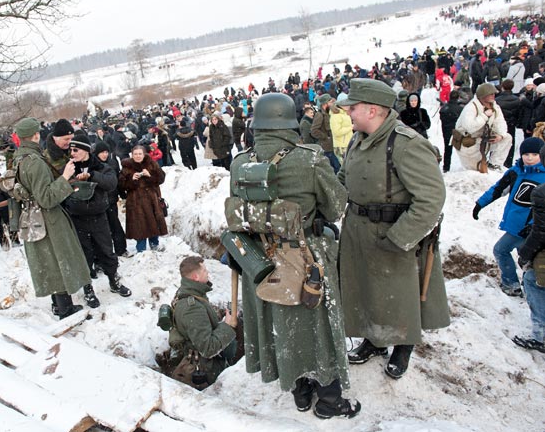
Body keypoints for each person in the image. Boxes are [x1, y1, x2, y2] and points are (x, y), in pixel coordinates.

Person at [230, 93, 360, 419]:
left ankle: (301, 392)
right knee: (319, 327)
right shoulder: (310, 158)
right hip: (305, 257)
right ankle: (329, 402)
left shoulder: (240, 162)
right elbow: (335, 206)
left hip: (260, 259)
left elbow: (241, 211)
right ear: (290, 121)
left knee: (281, 326)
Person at [337, 78, 449, 380]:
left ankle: (402, 345)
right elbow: (344, 177)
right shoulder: (357, 140)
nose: (348, 111)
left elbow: (431, 198)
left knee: (397, 293)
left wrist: (401, 237)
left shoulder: (405, 144)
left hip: (393, 232)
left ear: (373, 110)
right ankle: (374, 340)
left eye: (354, 107)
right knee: (367, 289)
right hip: (359, 229)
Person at [12, 117, 93, 318]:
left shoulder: (20, 158)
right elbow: (46, 198)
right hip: (48, 220)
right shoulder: (34, 162)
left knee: (51, 262)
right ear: (36, 135)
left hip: (38, 219)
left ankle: (60, 305)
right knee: (58, 262)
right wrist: (65, 177)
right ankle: (66, 310)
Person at [473, 137, 545, 297]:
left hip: (531, 229)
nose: (530, 158)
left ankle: (511, 284)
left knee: (501, 250)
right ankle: (529, 286)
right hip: (516, 225)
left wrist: (533, 225)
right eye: (526, 154)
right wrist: (480, 204)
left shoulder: (544, 177)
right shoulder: (515, 172)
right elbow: (498, 189)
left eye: (535, 154)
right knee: (527, 259)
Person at [64, 134, 131, 303]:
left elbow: (111, 183)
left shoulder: (100, 167)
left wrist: (92, 176)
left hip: (99, 217)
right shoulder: (68, 168)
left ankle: (114, 281)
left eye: (75, 149)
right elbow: (60, 188)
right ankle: (88, 289)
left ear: (86, 150)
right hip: (77, 219)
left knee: (107, 251)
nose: (72, 153)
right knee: (84, 255)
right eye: (70, 150)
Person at [168, 256, 237, 389]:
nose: (208, 273)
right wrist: (227, 326)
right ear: (195, 277)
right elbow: (207, 349)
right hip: (205, 368)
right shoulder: (192, 308)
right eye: (204, 270)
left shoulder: (188, 292)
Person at [516, 145, 545, 353]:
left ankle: (541, 336)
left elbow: (540, 232)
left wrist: (525, 254)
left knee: (532, 279)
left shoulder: (541, 193)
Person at [119, 145, 168, 253]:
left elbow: (161, 178)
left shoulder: (152, 164)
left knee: (153, 222)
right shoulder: (127, 167)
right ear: (132, 155)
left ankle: (154, 245)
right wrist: (132, 180)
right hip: (136, 201)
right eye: (135, 154)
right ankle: (141, 250)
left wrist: (149, 175)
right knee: (139, 226)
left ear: (144, 154)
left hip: (152, 199)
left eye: (140, 154)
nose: (137, 156)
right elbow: (121, 185)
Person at [454, 83, 512, 172]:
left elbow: (501, 122)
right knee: (474, 171)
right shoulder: (470, 108)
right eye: (491, 94)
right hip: (468, 143)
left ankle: (494, 164)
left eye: (494, 94)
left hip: (483, 139)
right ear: (483, 95)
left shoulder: (495, 107)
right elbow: (470, 127)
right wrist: (484, 116)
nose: (493, 96)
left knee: (507, 137)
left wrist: (501, 135)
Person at [92, 141, 130, 257]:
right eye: (102, 152)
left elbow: (117, 180)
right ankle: (105, 253)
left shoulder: (112, 163)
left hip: (112, 199)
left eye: (106, 152)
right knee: (102, 228)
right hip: (98, 201)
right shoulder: (93, 164)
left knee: (115, 224)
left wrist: (123, 195)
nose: (105, 155)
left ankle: (121, 249)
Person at [495, 79, 522, 167]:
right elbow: (519, 113)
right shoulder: (517, 100)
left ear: (502, 87)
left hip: (500, 124)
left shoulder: (497, 100)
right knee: (510, 142)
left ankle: (496, 161)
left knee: (498, 142)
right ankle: (508, 162)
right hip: (511, 124)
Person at [439, 90, 463, 172]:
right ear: (458, 97)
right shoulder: (460, 109)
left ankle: (446, 167)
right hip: (457, 131)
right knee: (462, 149)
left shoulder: (444, 108)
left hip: (446, 130)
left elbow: (442, 118)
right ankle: (464, 166)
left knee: (447, 149)